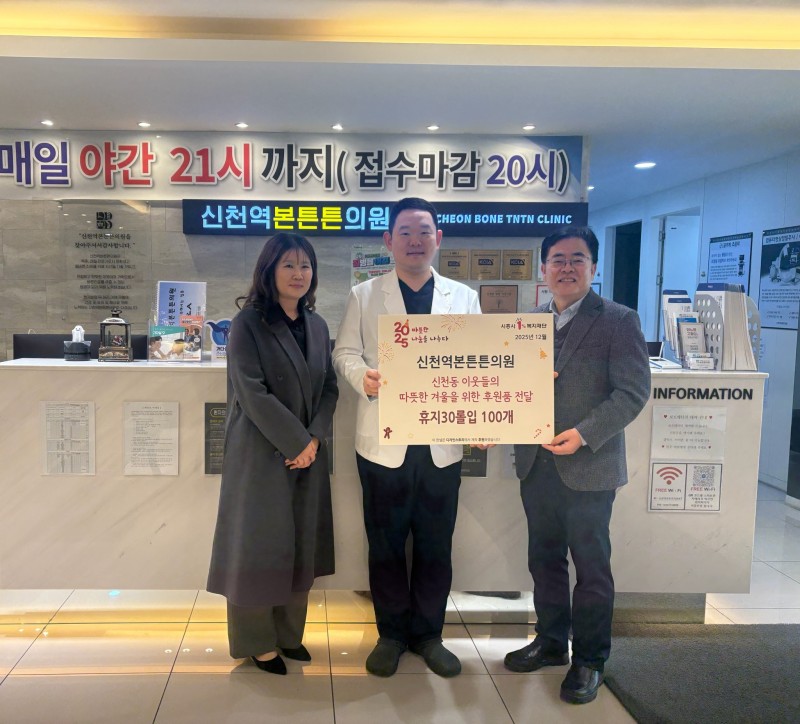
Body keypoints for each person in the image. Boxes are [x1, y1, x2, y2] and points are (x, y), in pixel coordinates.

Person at [333, 197, 481, 678]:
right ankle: (392, 635)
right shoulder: (364, 295)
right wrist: (363, 377)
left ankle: (429, 635)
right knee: (385, 544)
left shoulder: (464, 297)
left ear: (439, 239)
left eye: (424, 232)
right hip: (382, 443)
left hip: (441, 445)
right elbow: (344, 353)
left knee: (437, 545)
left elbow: (479, 366)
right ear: (388, 241)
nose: (415, 241)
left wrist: (486, 418)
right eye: (405, 232)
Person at [504, 227, 650, 704]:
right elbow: (509, 389)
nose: (567, 268)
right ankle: (551, 641)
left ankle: (590, 658)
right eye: (558, 259)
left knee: (591, 566)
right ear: (543, 268)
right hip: (535, 464)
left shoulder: (619, 320)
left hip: (589, 466)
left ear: (594, 267)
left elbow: (632, 392)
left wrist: (584, 434)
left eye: (577, 259)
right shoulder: (527, 323)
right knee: (543, 560)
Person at [207, 232, 338, 675]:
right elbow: (252, 392)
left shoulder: (317, 325)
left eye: (306, 265)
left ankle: (288, 635)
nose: (299, 273)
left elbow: (330, 388)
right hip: (261, 452)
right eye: (289, 265)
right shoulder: (248, 323)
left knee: (300, 543)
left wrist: (314, 440)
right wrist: (298, 442)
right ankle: (257, 641)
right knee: (259, 546)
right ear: (269, 271)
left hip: (308, 454)